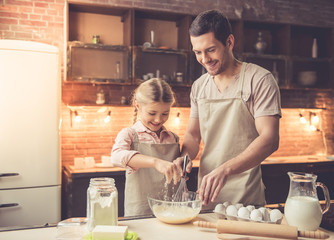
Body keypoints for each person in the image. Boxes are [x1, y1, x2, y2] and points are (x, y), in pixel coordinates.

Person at [180, 9, 281, 210]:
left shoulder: (259, 79)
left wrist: (225, 169)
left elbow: (270, 139)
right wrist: (182, 160)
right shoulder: (199, 86)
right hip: (207, 196)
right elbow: (193, 135)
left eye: (210, 49)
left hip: (246, 201)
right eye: (197, 52)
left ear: (229, 42)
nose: (204, 59)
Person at [111, 78, 182, 217]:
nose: (158, 119)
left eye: (165, 113)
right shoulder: (130, 134)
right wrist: (155, 162)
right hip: (139, 212)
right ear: (138, 106)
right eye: (152, 113)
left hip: (170, 210)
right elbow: (115, 157)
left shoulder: (172, 138)